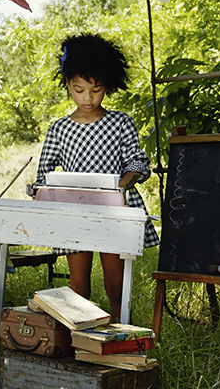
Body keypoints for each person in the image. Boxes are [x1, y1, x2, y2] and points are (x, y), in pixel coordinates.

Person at [34, 33, 159, 320]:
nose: (88, 98)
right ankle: (79, 336)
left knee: (116, 285)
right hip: (74, 212)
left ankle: (121, 332)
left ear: (108, 86)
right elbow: (44, 174)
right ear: (68, 85)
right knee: (79, 287)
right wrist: (42, 189)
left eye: (96, 90)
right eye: (79, 90)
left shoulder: (120, 122)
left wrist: (122, 184)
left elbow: (138, 162)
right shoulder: (59, 129)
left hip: (114, 211)